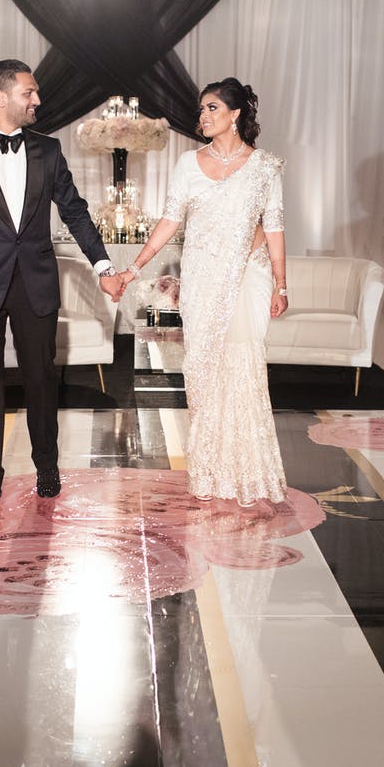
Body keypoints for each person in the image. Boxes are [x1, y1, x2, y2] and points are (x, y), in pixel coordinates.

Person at [0, 59, 125, 517]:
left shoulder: (48, 151)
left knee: (41, 379)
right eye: (28, 93)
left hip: (36, 282)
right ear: (0, 97)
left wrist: (102, 264)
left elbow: (74, 210)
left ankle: (47, 467)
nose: (37, 100)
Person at [119, 78, 289, 506]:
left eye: (212, 108)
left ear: (235, 114)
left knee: (242, 369)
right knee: (203, 373)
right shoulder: (187, 164)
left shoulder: (265, 167)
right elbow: (169, 222)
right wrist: (136, 266)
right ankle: (211, 472)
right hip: (202, 281)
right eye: (202, 110)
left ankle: (248, 472)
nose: (204, 116)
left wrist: (281, 284)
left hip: (246, 278)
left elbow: (274, 229)